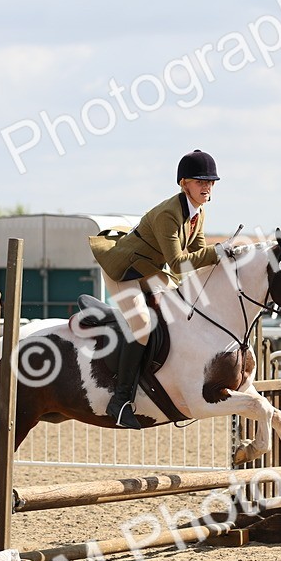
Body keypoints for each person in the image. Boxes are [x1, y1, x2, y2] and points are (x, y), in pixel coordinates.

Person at [89, 149, 232, 428]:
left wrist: (224, 262)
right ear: (184, 184)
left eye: (211, 181)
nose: (207, 186)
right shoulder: (169, 213)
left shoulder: (197, 213)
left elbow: (198, 255)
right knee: (142, 323)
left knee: (179, 300)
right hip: (123, 268)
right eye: (200, 181)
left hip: (148, 269)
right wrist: (218, 253)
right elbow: (179, 264)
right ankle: (120, 399)